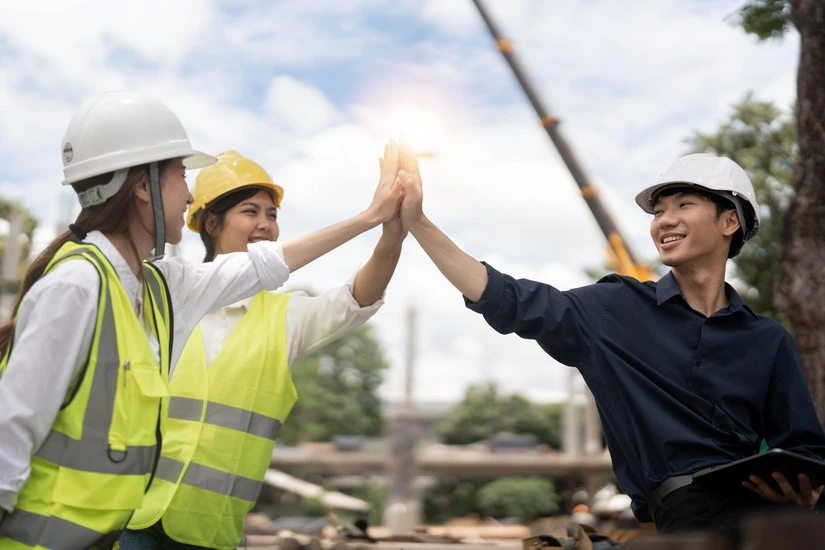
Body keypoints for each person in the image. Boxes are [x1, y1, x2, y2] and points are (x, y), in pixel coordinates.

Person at [0, 91, 402, 548]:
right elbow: (12, 427)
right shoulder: (78, 285)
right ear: (142, 185)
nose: (189, 194)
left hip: (119, 534)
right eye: (180, 176)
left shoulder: (158, 288)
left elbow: (266, 265)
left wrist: (375, 220)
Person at [394, 141, 825, 533]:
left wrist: (804, 488)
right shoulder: (613, 309)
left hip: (775, 515)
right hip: (691, 513)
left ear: (729, 220)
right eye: (658, 212)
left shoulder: (767, 339)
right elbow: (507, 297)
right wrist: (418, 222)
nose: (664, 221)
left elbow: (804, 447)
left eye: (683, 204)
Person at [119, 146, 406, 549]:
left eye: (272, 215)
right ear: (211, 223)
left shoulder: (287, 318)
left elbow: (357, 298)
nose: (265, 224)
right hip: (130, 516)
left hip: (210, 532)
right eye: (250, 212)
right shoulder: (167, 296)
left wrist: (391, 236)